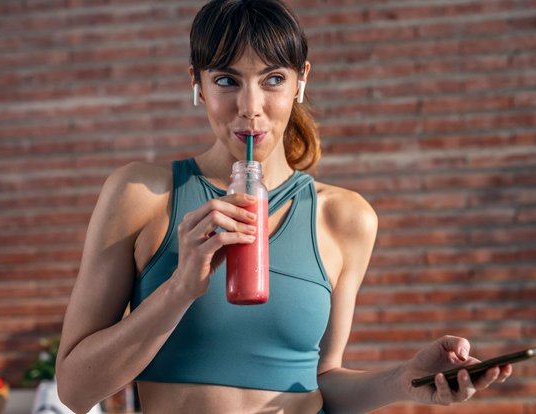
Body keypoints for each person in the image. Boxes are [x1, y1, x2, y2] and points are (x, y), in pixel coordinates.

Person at [56, 0, 512, 413]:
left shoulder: (345, 218)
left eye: (272, 79)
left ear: (301, 80)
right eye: (226, 80)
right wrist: (178, 290)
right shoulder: (143, 194)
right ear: (196, 83)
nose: (250, 107)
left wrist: (404, 381)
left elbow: (322, 382)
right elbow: (74, 391)